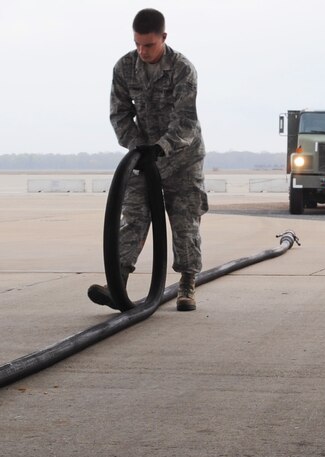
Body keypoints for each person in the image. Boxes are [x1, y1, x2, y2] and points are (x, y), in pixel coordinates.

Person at [88, 8, 207, 312]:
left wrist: (162, 147)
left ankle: (186, 285)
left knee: (184, 222)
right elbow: (120, 114)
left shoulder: (182, 69)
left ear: (163, 38)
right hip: (143, 159)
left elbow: (185, 121)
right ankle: (118, 283)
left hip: (182, 157)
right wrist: (139, 148)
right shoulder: (125, 68)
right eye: (138, 44)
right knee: (133, 216)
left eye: (149, 45)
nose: (142, 51)